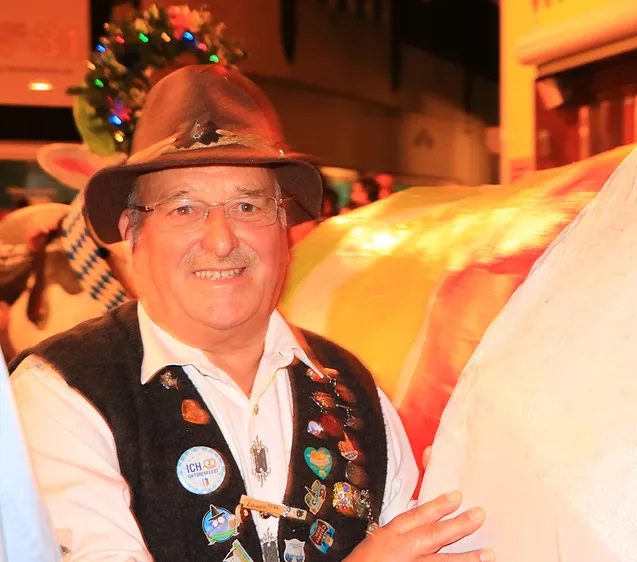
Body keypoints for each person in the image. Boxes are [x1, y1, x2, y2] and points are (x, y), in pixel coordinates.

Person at [9, 65, 491, 562]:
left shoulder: (355, 390)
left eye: (247, 206)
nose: (221, 240)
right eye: (183, 208)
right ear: (133, 235)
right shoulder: (62, 391)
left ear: (285, 227)